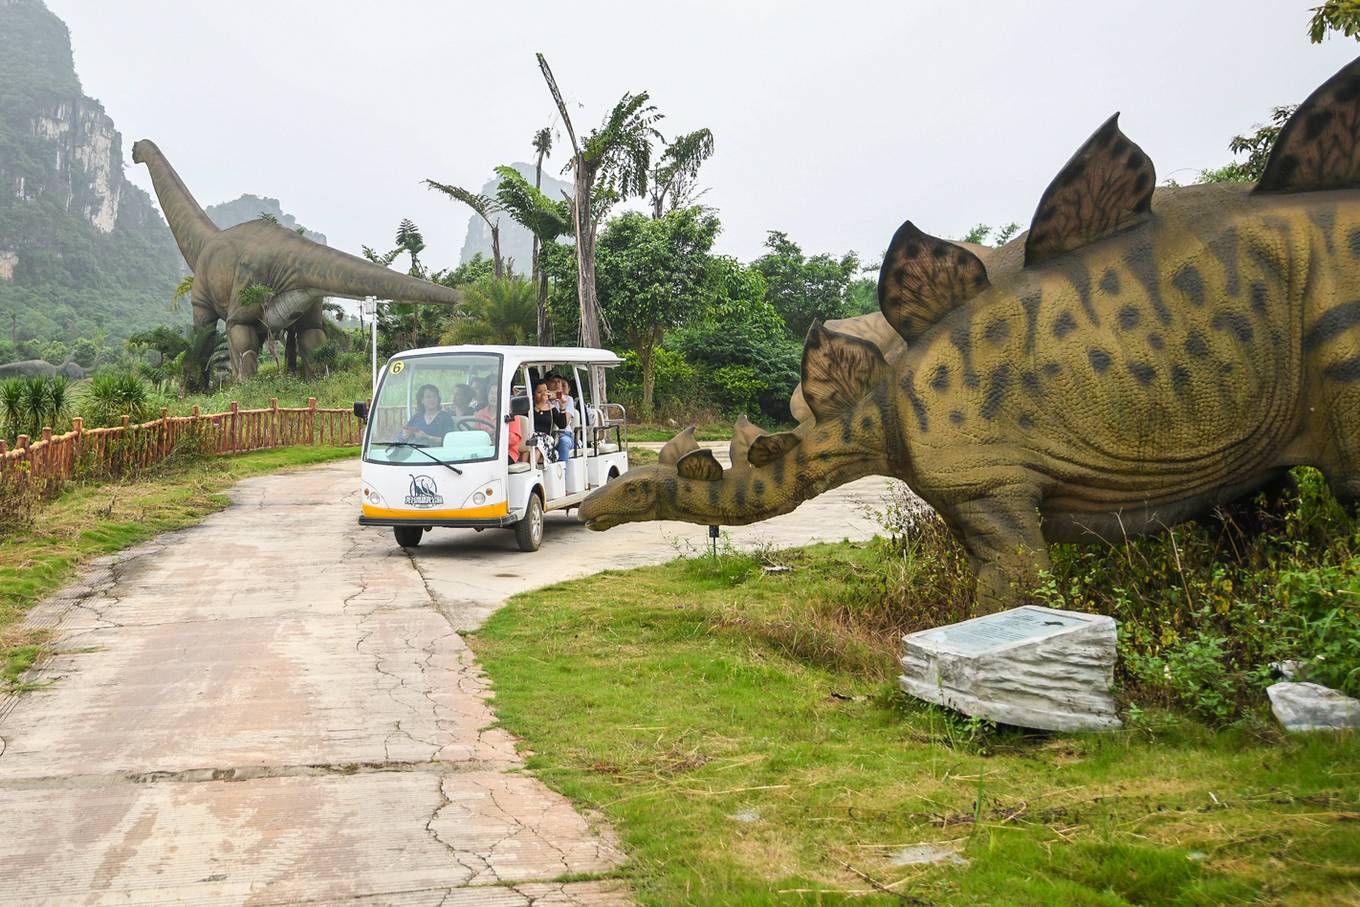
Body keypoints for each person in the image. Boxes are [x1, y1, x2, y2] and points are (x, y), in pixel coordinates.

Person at [473, 381, 521, 462]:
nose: (493, 396)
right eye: (491, 393)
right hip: (484, 450)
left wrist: (498, 436)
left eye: (497, 393)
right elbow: (474, 434)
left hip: (506, 452)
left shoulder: (512, 414)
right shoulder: (480, 414)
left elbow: (514, 440)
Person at [532, 378, 573, 462]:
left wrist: (562, 406)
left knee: (539, 442)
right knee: (534, 442)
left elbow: (562, 424)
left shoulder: (551, 408)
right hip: (531, 438)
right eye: (540, 392)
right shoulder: (530, 408)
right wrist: (541, 403)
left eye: (545, 391)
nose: (543, 394)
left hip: (545, 439)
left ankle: (532, 467)